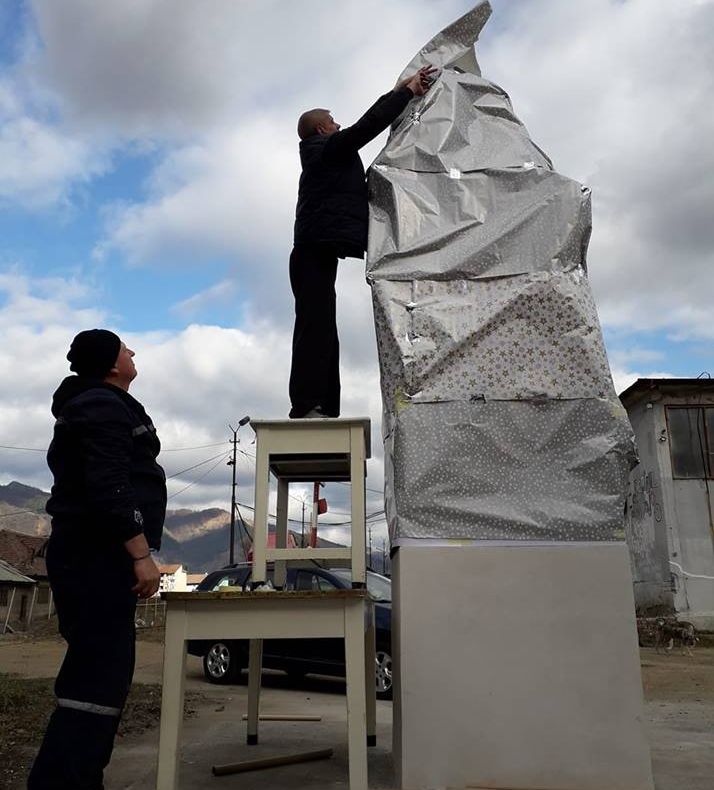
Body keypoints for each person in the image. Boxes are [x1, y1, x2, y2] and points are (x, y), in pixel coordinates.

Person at [28, 329, 167, 790]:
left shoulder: (99, 403)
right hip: (94, 560)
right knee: (97, 681)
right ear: (111, 364)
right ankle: (63, 781)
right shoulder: (100, 405)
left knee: (99, 679)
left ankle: (75, 778)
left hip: (95, 558)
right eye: (126, 347)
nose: (133, 351)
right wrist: (141, 553)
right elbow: (108, 486)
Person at [288, 66, 436, 418]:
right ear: (323, 128)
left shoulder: (324, 152)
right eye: (334, 121)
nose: (339, 125)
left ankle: (323, 405)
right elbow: (365, 127)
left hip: (318, 251)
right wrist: (406, 94)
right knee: (314, 326)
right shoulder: (323, 150)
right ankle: (308, 404)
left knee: (323, 326)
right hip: (311, 251)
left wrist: (400, 90)